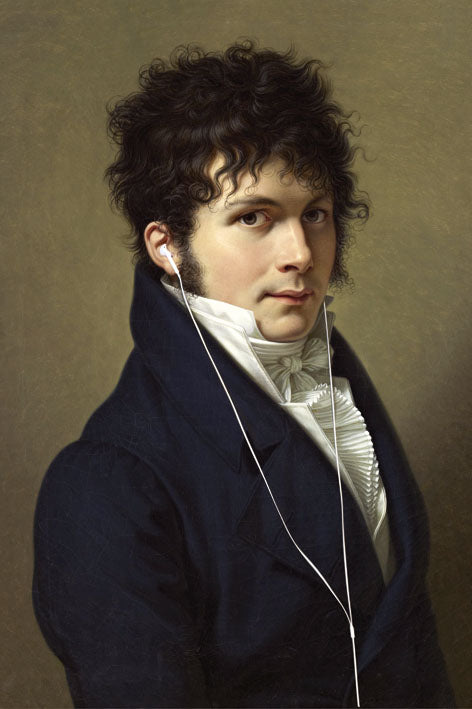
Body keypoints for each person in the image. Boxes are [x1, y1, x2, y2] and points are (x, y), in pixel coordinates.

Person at [32, 41, 455, 708]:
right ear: (167, 246)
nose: (300, 253)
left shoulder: (341, 387)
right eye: (254, 217)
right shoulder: (108, 483)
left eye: (314, 214)